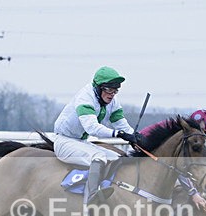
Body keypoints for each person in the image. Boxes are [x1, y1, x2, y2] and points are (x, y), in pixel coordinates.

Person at [53, 66, 141, 204]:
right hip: (64, 142)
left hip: (80, 142)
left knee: (116, 158)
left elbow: (120, 123)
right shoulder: (85, 97)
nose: (112, 94)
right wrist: (119, 134)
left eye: (115, 90)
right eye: (109, 89)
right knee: (98, 157)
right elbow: (92, 128)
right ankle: (91, 196)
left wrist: (136, 137)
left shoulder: (112, 101)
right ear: (98, 88)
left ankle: (106, 189)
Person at [139, 109, 206, 209]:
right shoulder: (179, 136)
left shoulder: (184, 133)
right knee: (180, 191)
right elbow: (180, 168)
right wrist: (194, 193)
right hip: (140, 154)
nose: (205, 139)